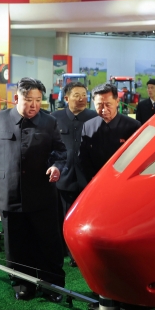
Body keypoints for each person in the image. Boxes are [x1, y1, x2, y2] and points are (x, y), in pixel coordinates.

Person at [0, 77, 67, 302]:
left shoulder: (49, 122)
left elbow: (60, 152)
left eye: (38, 100)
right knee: (16, 242)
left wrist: (56, 167)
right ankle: (21, 283)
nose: (34, 105)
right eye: (29, 100)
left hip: (42, 193)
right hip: (10, 192)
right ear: (17, 98)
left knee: (47, 242)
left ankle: (53, 285)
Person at [51, 82, 97, 266]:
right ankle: (64, 250)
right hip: (64, 177)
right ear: (67, 97)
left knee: (85, 217)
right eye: (76, 95)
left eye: (84, 94)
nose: (81, 98)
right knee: (63, 216)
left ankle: (81, 252)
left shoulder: (94, 117)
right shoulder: (54, 118)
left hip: (88, 178)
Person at [79, 83, 141, 187]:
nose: (104, 109)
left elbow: (137, 159)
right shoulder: (88, 126)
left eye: (108, 104)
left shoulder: (133, 126)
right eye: (99, 105)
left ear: (117, 102)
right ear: (93, 103)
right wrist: (92, 178)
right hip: (95, 183)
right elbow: (84, 158)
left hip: (123, 183)